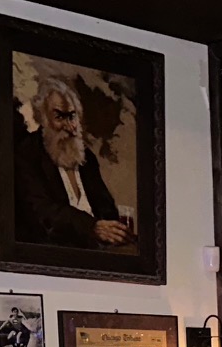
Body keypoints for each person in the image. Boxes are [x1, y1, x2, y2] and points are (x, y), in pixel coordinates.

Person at [12, 76, 132, 248]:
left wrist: (111, 229)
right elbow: (42, 213)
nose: (69, 126)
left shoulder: (86, 158)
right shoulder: (27, 153)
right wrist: (92, 227)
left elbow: (107, 208)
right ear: (42, 117)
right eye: (60, 117)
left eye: (72, 116)